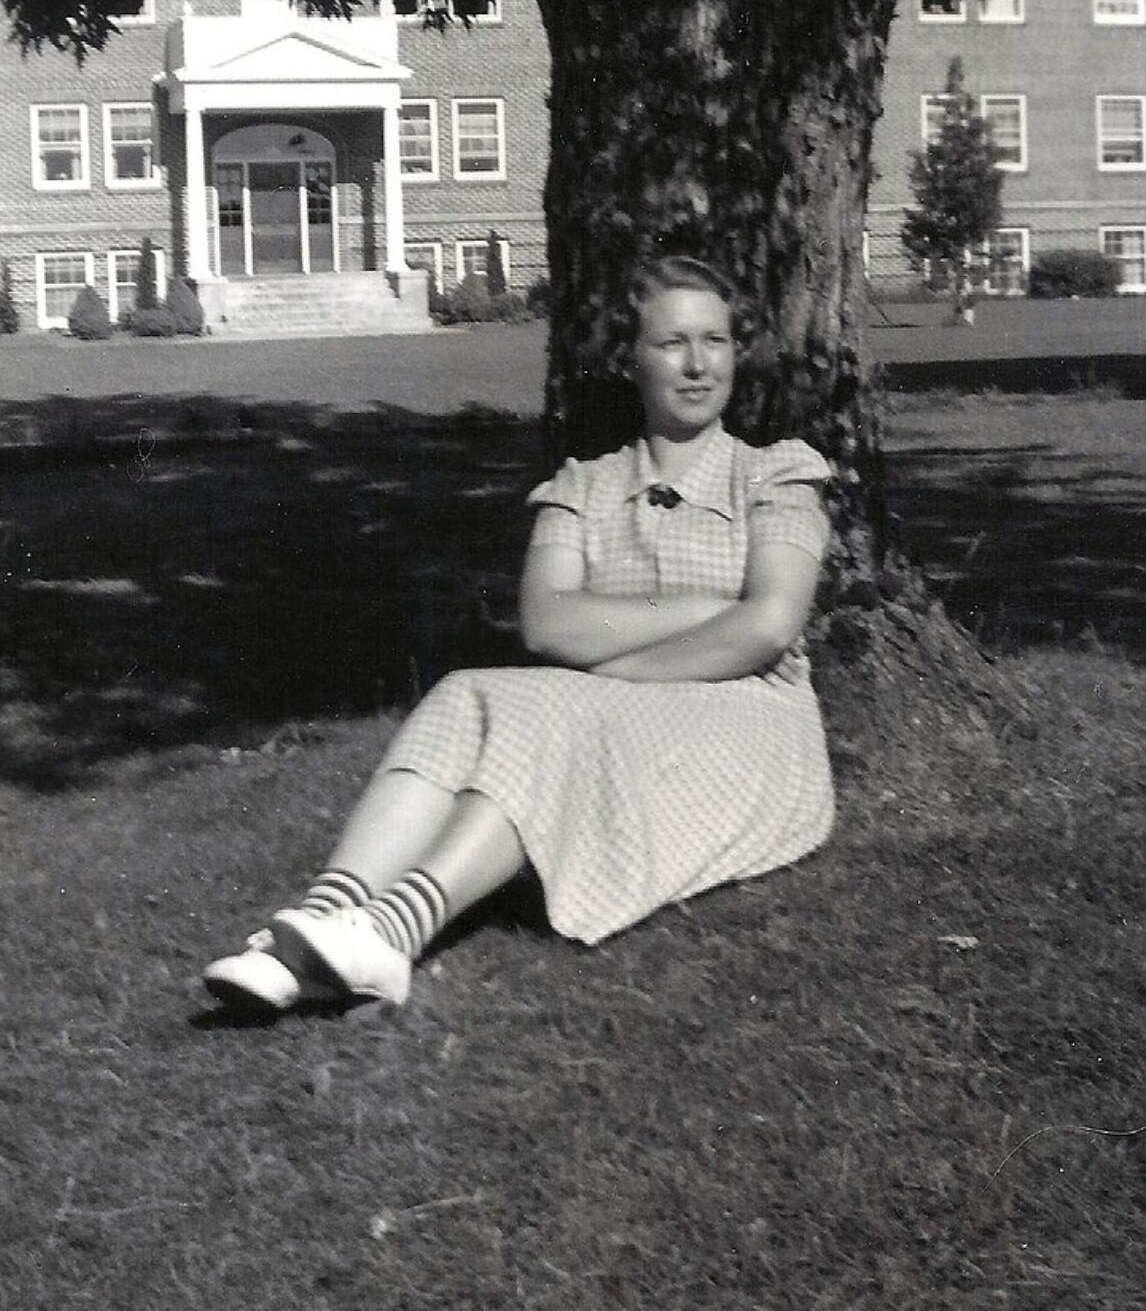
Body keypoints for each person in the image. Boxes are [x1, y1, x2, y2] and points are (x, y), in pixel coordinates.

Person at [203, 255, 834, 1015]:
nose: (698, 364)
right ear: (630, 359)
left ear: (737, 351)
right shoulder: (581, 487)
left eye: (716, 341)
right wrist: (707, 605)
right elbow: (548, 622)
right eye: (672, 344)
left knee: (558, 711)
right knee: (464, 690)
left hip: (748, 723)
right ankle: (320, 919)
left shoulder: (775, 475)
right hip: (613, 714)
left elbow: (767, 625)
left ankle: (392, 932)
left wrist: (615, 675)